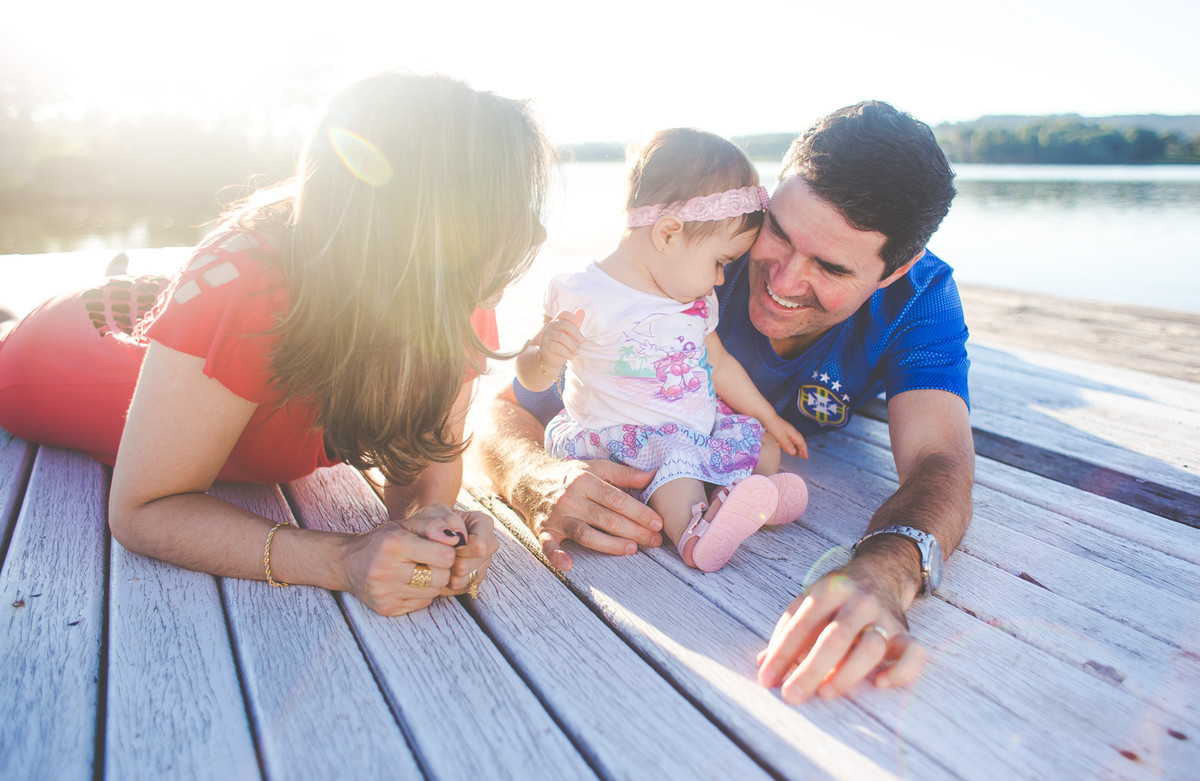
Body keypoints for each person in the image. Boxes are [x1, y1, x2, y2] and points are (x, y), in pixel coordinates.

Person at [470, 101, 974, 702]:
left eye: (831, 268)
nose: (782, 282)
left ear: (896, 271)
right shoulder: (697, 254)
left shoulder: (921, 300)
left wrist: (886, 571)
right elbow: (506, 406)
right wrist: (532, 474)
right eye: (780, 233)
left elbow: (941, 461)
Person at [0, 72, 552, 617]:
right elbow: (143, 509)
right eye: (506, 207)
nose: (537, 233)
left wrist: (434, 524)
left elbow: (427, 462)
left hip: (182, 308)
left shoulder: (450, 290)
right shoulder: (249, 285)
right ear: (429, 217)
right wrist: (342, 559)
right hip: (61, 352)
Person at [515, 129, 810, 573]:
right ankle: (695, 536)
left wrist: (769, 417)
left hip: (692, 430)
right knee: (678, 478)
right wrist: (545, 358)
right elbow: (529, 375)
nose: (719, 281)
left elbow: (720, 364)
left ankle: (747, 500)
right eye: (720, 263)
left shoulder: (693, 301)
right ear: (669, 233)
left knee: (761, 447)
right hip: (625, 446)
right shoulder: (583, 293)